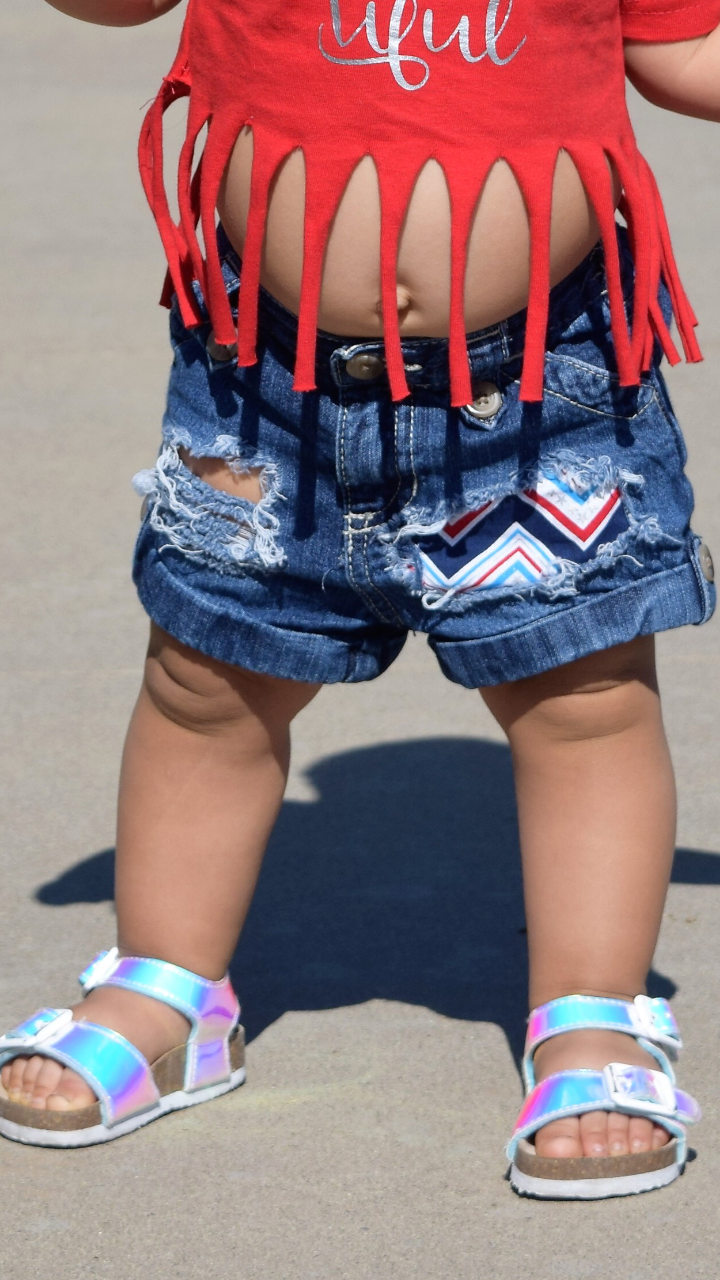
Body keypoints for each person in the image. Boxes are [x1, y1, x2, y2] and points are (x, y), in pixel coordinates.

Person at [0, 0, 718, 1198]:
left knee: (583, 696)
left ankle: (592, 1015)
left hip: (538, 383)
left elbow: (681, 48)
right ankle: (168, 983)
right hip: (262, 383)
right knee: (204, 678)